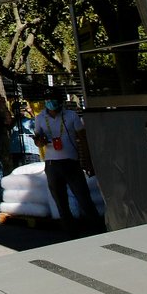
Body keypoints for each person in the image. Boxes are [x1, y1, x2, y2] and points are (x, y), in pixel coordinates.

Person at [34, 96, 101, 235]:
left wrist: (88, 161)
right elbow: (37, 140)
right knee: (60, 201)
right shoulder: (40, 118)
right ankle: (70, 232)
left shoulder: (71, 116)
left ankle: (97, 229)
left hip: (71, 162)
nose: (51, 104)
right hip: (52, 163)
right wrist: (40, 141)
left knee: (83, 197)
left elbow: (82, 138)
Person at [8, 100, 41, 169]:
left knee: (34, 172)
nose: (21, 112)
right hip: (16, 153)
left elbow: (39, 125)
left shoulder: (30, 120)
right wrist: (16, 117)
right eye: (18, 110)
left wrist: (30, 112)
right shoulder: (12, 121)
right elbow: (9, 128)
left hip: (31, 152)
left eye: (22, 110)